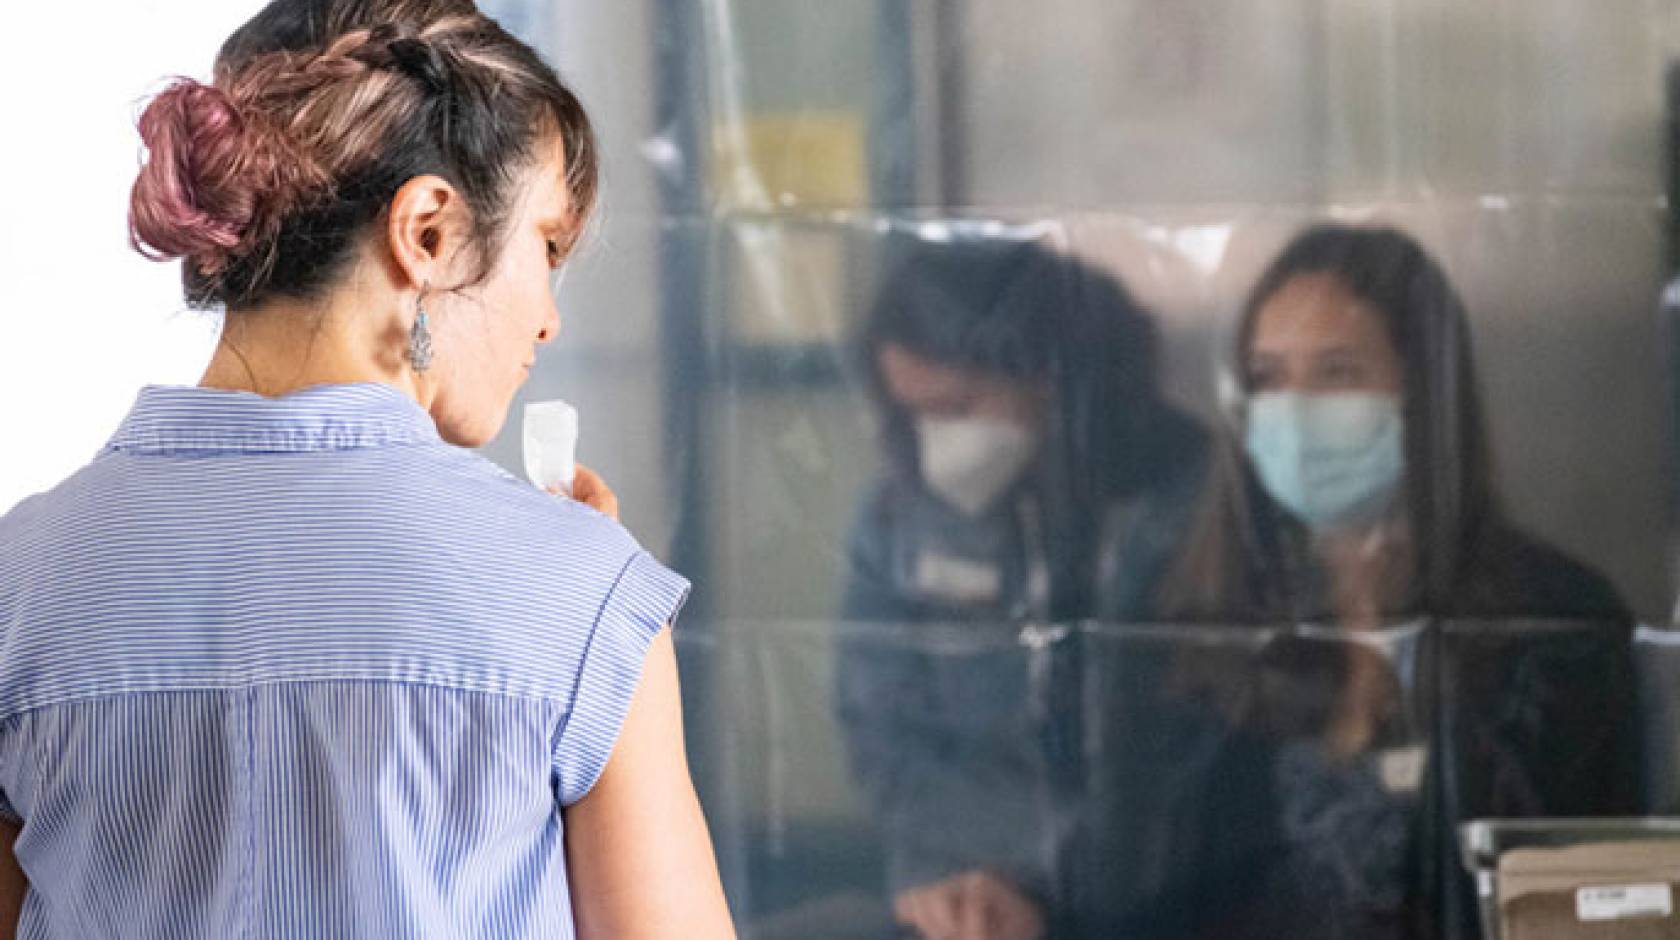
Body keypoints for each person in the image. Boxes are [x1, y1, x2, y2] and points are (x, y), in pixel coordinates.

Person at [0, 2, 734, 937]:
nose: (548, 318)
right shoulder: (581, 595)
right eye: (545, 247)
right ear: (427, 232)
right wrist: (582, 594)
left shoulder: (19, 578)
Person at [1157, 223, 1641, 938]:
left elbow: (1593, 904)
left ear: (1424, 393)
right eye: (1268, 378)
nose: (1295, 411)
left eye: (1337, 373)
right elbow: (1153, 884)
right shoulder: (1208, 611)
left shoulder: (1558, 618)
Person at [834, 235, 1209, 939]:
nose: (935, 442)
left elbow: (1195, 757)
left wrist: (1053, 888)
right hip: (957, 905)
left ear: (1050, 377)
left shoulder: (1192, 501)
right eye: (913, 414)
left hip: (1162, 907)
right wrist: (960, 881)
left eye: (958, 407)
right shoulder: (897, 518)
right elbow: (881, 733)